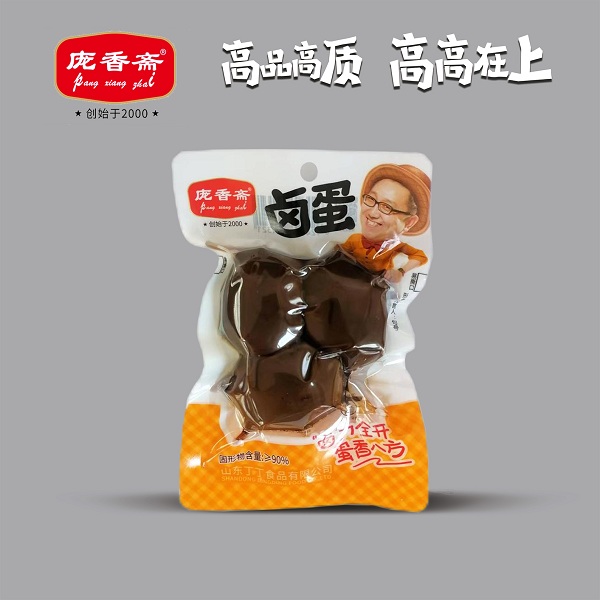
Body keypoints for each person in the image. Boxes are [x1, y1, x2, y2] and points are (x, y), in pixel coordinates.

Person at [341, 163, 430, 283]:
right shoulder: (354, 239)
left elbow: (420, 256)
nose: (373, 213)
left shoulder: (395, 246)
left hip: (377, 285)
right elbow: (340, 253)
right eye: (371, 199)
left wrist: (400, 271)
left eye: (387, 207)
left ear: (409, 222)